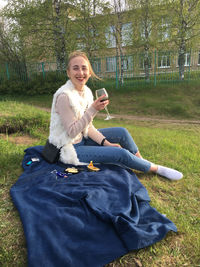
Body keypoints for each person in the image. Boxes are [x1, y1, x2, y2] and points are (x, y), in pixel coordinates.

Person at [48, 51, 183, 181]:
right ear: (68, 72)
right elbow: (72, 132)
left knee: (121, 132)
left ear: (89, 72)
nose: (81, 73)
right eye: (75, 68)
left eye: (84, 68)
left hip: (83, 137)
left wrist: (107, 144)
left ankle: (141, 161)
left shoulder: (86, 92)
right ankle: (155, 169)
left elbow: (88, 127)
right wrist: (93, 110)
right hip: (69, 148)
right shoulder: (64, 97)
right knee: (121, 154)